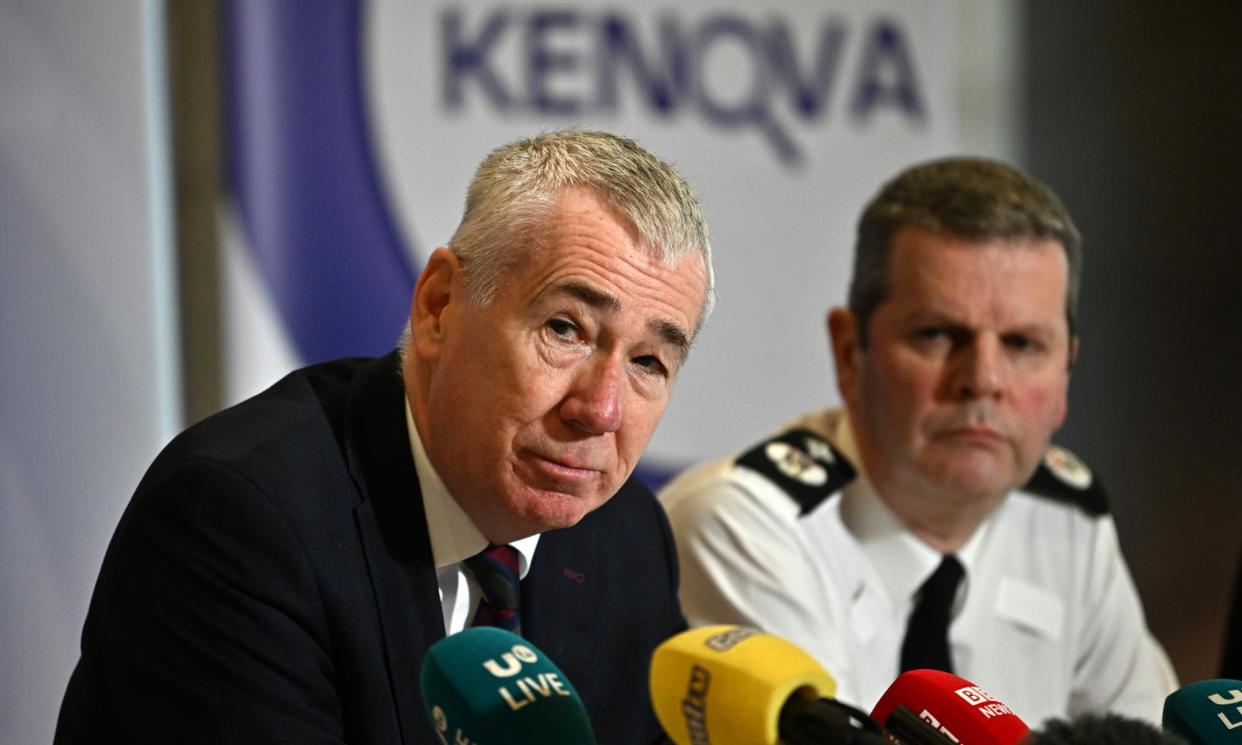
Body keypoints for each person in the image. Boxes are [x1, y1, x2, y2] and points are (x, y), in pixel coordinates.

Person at [55, 130, 714, 744]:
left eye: (648, 363)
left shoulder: (623, 540)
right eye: (565, 328)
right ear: (438, 305)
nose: (600, 409)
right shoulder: (238, 521)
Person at [659, 157, 1176, 724]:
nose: (983, 378)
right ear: (851, 353)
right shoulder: (742, 526)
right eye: (937, 335)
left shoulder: (1069, 521)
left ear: (1065, 376)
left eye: (1024, 344)